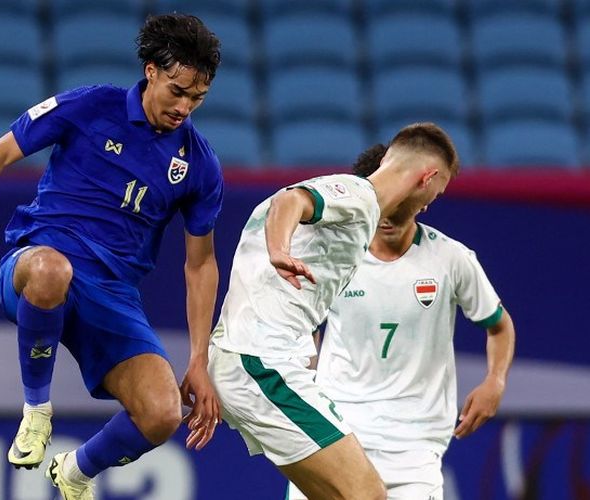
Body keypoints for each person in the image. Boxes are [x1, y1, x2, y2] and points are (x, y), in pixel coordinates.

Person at [0, 13, 223, 499]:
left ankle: (74, 473)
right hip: (36, 264)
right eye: (177, 90)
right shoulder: (91, 105)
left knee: (163, 411)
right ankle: (36, 412)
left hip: (114, 294)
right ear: (150, 70)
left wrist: (199, 357)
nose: (185, 107)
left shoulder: (198, 163)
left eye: (197, 98)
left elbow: (200, 264)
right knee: (52, 269)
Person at [194, 123, 459, 500]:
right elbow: (292, 201)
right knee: (366, 494)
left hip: (255, 359)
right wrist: (278, 249)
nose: (431, 203)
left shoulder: (355, 209)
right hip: (262, 362)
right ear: (428, 177)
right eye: (439, 189)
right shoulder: (357, 195)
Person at [286, 144, 516, 499]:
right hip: (335, 433)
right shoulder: (331, 256)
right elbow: (304, 331)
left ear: (421, 197)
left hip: (413, 448)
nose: (389, 214)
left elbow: (499, 325)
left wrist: (495, 382)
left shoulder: (451, 259)